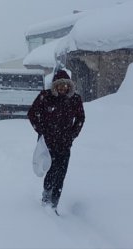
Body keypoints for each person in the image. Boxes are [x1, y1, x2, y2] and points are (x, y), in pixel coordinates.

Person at [27, 70, 85, 214]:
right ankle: (46, 197)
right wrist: (41, 130)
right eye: (59, 85)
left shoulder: (75, 99)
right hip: (48, 143)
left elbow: (80, 118)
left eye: (65, 85)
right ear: (55, 85)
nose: (63, 87)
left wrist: (73, 134)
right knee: (51, 170)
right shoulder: (45, 96)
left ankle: (54, 204)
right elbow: (32, 113)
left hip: (65, 143)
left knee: (61, 173)